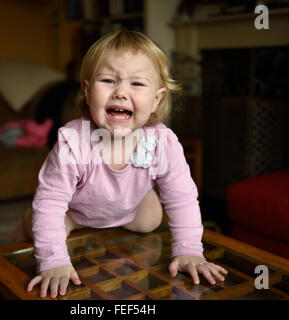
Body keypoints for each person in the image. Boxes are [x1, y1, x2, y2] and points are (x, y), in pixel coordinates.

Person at [13, 30, 228, 298]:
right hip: (73, 212)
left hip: (128, 209)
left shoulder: (162, 142)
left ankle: (121, 205)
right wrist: (53, 262)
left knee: (152, 217)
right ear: (89, 91)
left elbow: (182, 198)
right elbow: (52, 201)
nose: (121, 92)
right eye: (108, 80)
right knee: (41, 223)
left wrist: (189, 251)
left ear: (156, 100)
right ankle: (24, 237)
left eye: (137, 84)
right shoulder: (73, 141)